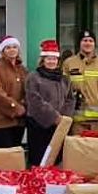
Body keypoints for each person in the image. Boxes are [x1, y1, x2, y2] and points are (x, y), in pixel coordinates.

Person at [23, 39, 71, 167]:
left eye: (54, 59)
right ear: (43, 60)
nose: (51, 62)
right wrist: (54, 117)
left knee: (56, 158)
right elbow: (34, 100)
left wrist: (64, 117)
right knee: (39, 159)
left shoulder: (64, 79)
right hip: (38, 124)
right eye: (48, 59)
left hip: (59, 125)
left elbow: (70, 99)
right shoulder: (33, 77)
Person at [60, 29, 98, 133]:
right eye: (85, 40)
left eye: (90, 41)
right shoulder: (68, 63)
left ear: (95, 44)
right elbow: (62, 91)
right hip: (77, 120)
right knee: (78, 149)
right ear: (79, 43)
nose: (88, 43)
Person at [0, 37, 28, 147]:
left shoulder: (23, 69)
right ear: (3, 51)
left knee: (16, 152)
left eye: (14, 47)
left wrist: (24, 106)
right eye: (8, 47)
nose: (12, 50)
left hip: (19, 121)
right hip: (2, 121)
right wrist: (16, 107)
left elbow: (27, 90)